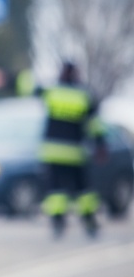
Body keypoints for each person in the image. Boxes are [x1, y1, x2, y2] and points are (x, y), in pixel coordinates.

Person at [38, 61, 106, 238]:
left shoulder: (52, 92)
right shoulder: (83, 95)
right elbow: (95, 124)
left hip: (52, 152)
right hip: (75, 153)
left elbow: (31, 87)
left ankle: (58, 223)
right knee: (83, 191)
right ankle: (89, 222)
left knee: (55, 190)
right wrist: (100, 145)